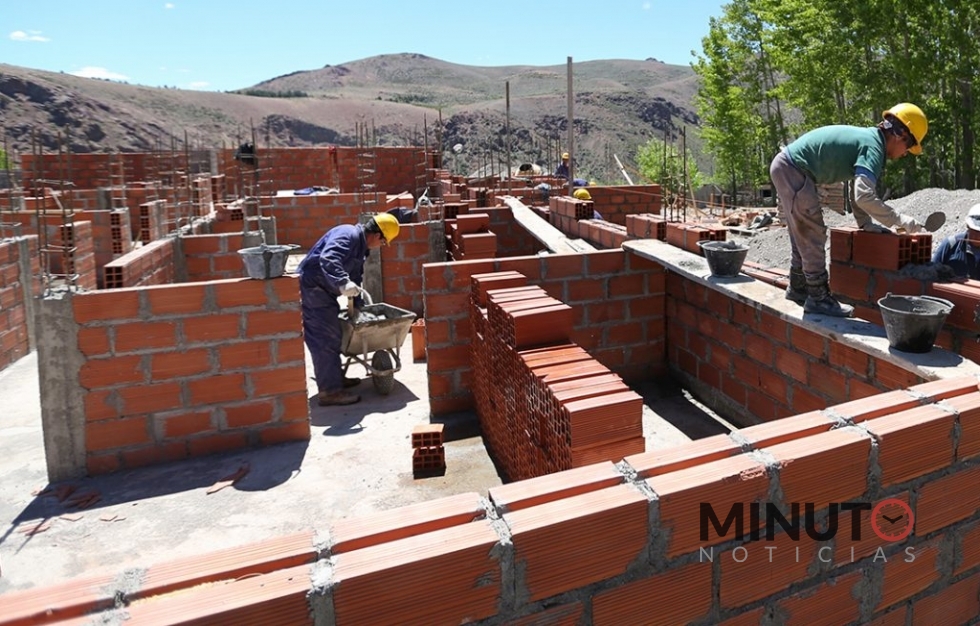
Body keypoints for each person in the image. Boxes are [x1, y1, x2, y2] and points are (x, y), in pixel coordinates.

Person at [769, 102, 928, 317]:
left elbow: (857, 189)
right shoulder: (874, 147)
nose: (905, 154)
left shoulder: (869, 140)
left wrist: (865, 224)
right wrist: (900, 220)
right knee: (812, 233)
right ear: (901, 135)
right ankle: (818, 298)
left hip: (787, 166)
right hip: (793, 168)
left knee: (802, 234)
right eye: (909, 148)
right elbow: (864, 196)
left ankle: (798, 288)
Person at [298, 214, 400, 406]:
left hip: (324, 290)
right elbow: (329, 258)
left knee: (334, 334)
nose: (381, 246)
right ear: (377, 235)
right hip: (312, 288)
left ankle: (334, 378)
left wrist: (359, 305)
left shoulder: (361, 248)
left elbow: (355, 276)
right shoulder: (348, 235)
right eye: (383, 242)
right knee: (324, 338)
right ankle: (330, 391)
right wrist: (342, 282)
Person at [932, 203, 980, 279]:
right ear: (968, 226)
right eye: (975, 231)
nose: (978, 236)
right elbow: (931, 272)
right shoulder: (951, 244)